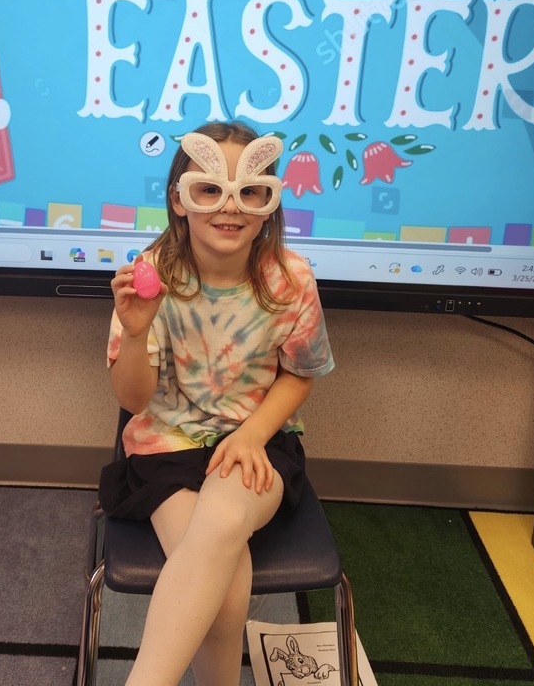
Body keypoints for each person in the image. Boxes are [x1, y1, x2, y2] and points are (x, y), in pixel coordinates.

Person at [99, 120, 334, 686]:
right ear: (180, 200)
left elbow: (299, 376)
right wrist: (136, 334)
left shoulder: (291, 278)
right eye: (209, 189)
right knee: (224, 589)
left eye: (250, 191)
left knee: (224, 516)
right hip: (165, 446)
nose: (229, 207)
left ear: (268, 204)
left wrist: (251, 435)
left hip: (259, 440)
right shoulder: (153, 275)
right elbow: (133, 399)